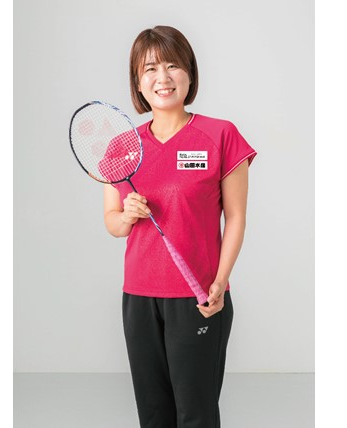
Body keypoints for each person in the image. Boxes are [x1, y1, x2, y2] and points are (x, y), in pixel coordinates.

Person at [103, 25, 257, 428]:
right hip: (138, 296)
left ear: (190, 73)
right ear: (138, 81)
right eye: (150, 68)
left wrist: (219, 282)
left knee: (196, 414)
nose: (163, 77)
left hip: (199, 295)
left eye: (173, 66)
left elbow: (236, 216)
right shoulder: (122, 146)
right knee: (153, 414)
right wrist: (127, 215)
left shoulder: (221, 135)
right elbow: (113, 222)